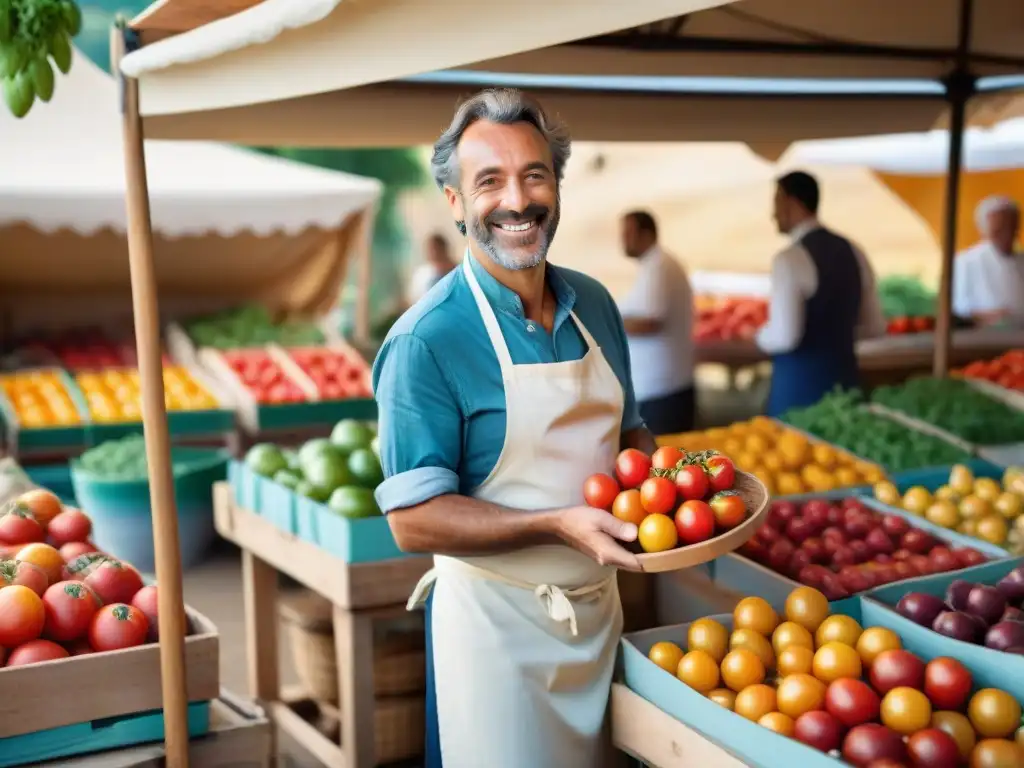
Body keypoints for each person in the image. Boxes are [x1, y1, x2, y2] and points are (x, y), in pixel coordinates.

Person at [371, 88, 656, 768]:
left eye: (535, 175)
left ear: (557, 184)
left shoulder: (596, 303)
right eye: (489, 181)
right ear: (454, 201)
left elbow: (632, 436)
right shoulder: (427, 339)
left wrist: (677, 485)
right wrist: (557, 523)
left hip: (600, 615)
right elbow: (411, 521)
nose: (517, 201)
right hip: (494, 634)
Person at [757, 170, 885, 416]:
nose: (772, 214)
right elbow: (875, 327)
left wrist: (759, 336)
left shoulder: (789, 259)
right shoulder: (854, 251)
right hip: (846, 389)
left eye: (776, 203)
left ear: (791, 203)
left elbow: (785, 337)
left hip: (799, 396)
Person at [617, 210, 696, 435]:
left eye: (628, 233)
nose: (623, 240)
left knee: (663, 462)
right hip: (661, 388)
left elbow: (649, 322)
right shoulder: (653, 266)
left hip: (663, 391)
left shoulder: (660, 266)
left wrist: (605, 321)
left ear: (647, 233)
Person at [952, 195, 1024, 326]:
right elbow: (959, 310)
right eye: (999, 229)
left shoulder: (1021, 261)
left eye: (1011, 227)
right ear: (984, 229)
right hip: (982, 339)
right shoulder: (965, 262)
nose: (1006, 234)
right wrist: (994, 316)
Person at [407, 233, 456, 305]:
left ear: (444, 248)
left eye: (437, 248)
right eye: (431, 249)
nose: (434, 253)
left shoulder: (458, 272)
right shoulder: (421, 275)